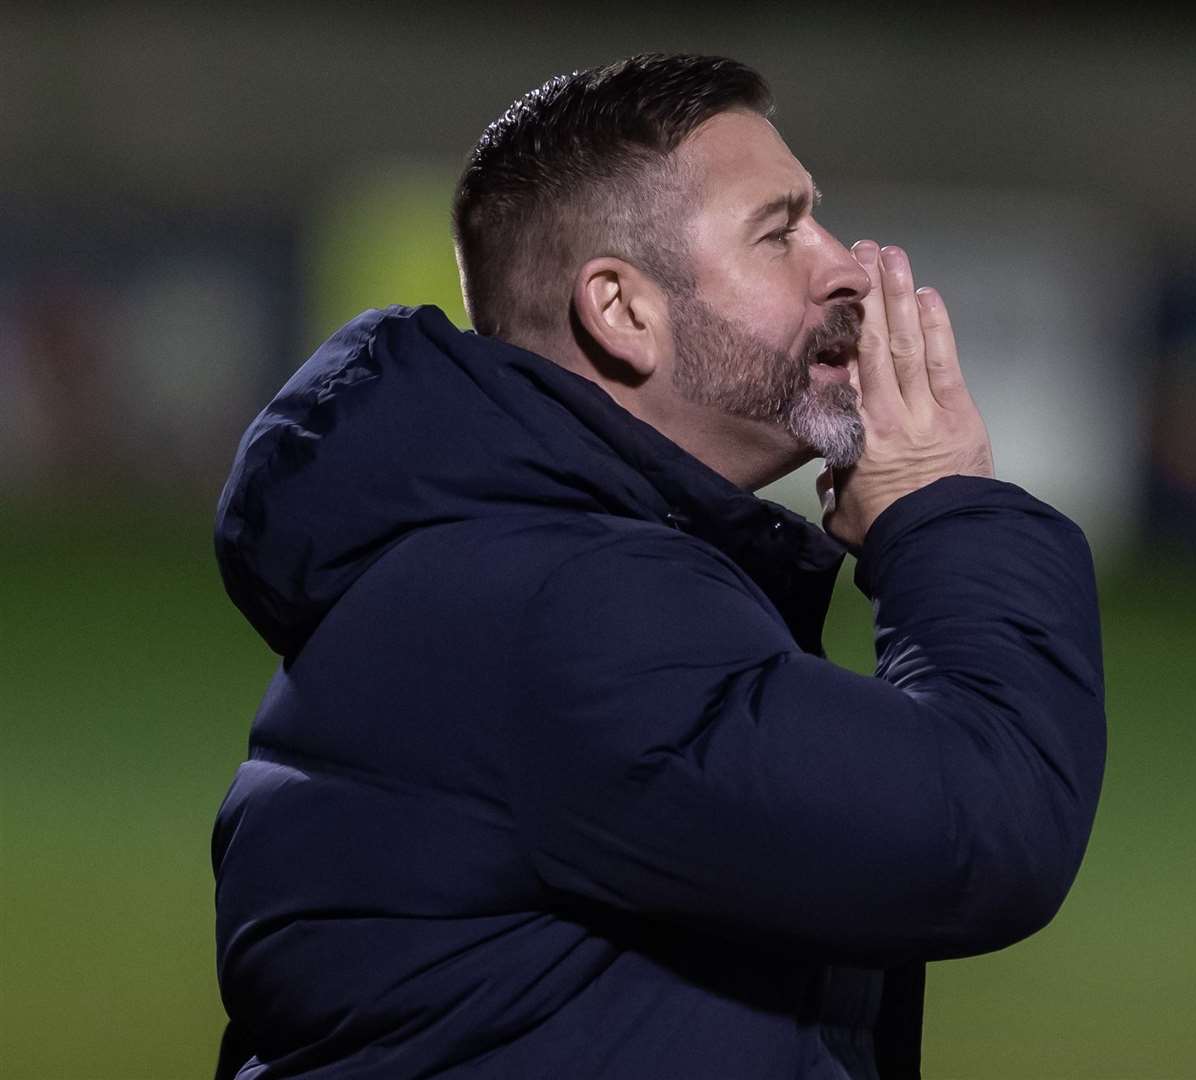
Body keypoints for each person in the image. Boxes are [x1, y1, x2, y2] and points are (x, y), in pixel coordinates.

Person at [211, 53, 1105, 1080]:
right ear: (622, 310)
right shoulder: (565, 605)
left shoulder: (512, 560)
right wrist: (945, 512)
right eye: (780, 231)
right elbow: (983, 826)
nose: (845, 265)